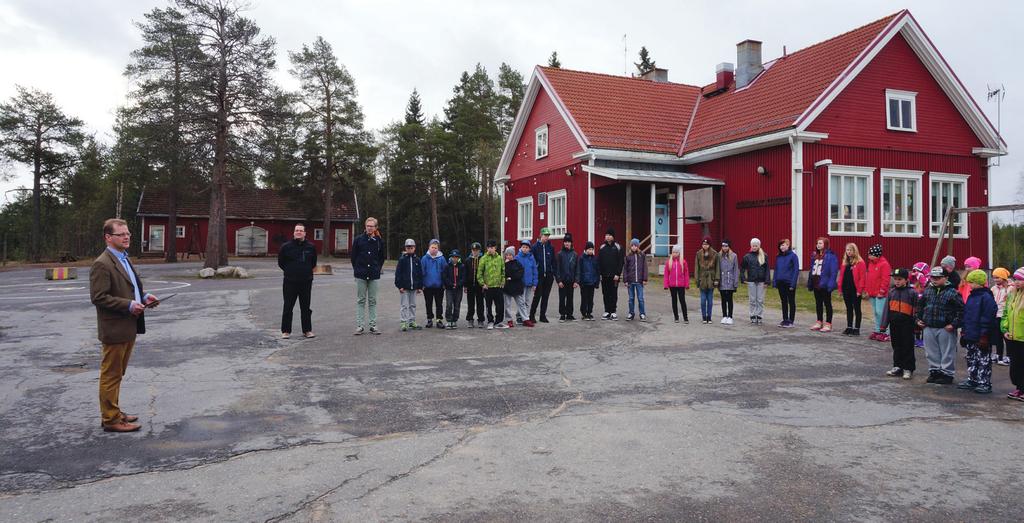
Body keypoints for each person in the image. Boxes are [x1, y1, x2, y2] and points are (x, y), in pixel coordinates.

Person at [89, 218, 159, 433]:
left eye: (128, 233)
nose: (127, 237)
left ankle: (115, 412)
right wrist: (128, 305)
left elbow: (129, 287)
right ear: (108, 238)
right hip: (115, 328)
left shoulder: (123, 258)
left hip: (128, 325)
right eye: (121, 234)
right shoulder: (102, 263)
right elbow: (99, 297)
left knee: (118, 373)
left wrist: (144, 296)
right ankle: (110, 419)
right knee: (111, 375)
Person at [916, 266, 964, 385]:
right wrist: (917, 319)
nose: (935, 280)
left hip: (945, 328)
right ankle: (934, 371)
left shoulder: (953, 292)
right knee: (931, 351)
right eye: (933, 277)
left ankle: (947, 373)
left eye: (938, 278)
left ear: (946, 278)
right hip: (928, 326)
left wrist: (954, 324)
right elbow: (919, 306)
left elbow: (961, 310)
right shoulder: (928, 290)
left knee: (947, 351)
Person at [958, 269, 998, 394]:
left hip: (981, 335)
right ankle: (973, 379)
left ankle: (984, 382)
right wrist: (964, 332)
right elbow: (967, 315)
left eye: (972, 282)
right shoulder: (971, 296)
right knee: (971, 357)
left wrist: (984, 335)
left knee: (983, 359)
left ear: (980, 283)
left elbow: (988, 317)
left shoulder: (986, 297)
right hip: (970, 333)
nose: (970, 284)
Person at [278, 223, 317, 339]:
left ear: (305, 233)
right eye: (296, 230)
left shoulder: (311, 247)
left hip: (306, 281)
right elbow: (281, 263)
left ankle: (307, 330)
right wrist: (290, 271)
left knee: (305, 307)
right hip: (290, 281)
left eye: (301, 230)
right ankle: (286, 331)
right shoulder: (286, 247)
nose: (298, 232)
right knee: (288, 306)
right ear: (294, 232)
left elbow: (313, 263)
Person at [881, 268, 917, 380]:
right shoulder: (891, 292)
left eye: (900, 279)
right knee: (896, 345)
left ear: (906, 280)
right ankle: (897, 366)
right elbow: (886, 309)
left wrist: (917, 325)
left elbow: (916, 309)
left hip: (907, 324)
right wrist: (883, 325)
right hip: (894, 323)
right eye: (895, 279)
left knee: (907, 345)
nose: (897, 281)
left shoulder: (912, 293)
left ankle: (908, 368)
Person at [351, 217, 385, 335]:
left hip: (374, 275)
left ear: (375, 228)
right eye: (368, 226)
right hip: (361, 274)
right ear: (365, 227)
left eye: (372, 226)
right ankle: (360, 326)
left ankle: (373, 325)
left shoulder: (379, 241)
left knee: (372, 301)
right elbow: (353, 257)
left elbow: (381, 257)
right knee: (361, 300)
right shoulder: (358, 240)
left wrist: (377, 268)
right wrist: (357, 269)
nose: (370, 228)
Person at [1001, 267, 1024, 401]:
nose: (1016, 282)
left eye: (1020, 280)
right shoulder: (1012, 294)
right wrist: (1005, 329)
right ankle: (1019, 387)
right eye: (1015, 279)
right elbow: (1005, 314)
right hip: (1013, 337)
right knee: (1016, 365)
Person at [808, 237, 839, 333]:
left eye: (820, 243)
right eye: (817, 243)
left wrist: (831, 284)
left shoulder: (831, 256)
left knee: (827, 304)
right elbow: (811, 270)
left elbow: (833, 272)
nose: (818, 245)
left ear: (825, 244)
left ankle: (828, 323)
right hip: (816, 283)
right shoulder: (815, 255)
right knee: (818, 303)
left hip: (825, 284)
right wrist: (810, 282)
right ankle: (819, 321)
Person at [837, 243, 867, 336]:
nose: (849, 252)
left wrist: (860, 290)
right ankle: (849, 327)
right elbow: (841, 276)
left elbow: (863, 277)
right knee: (849, 308)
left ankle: (857, 328)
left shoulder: (860, 262)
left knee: (857, 309)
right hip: (846, 289)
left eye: (850, 250)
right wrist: (840, 288)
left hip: (855, 289)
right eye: (847, 250)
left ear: (855, 251)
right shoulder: (845, 262)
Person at [395, 239, 423, 331]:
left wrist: (419, 286)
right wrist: (400, 286)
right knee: (404, 305)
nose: (410, 249)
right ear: (405, 248)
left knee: (413, 305)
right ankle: (403, 322)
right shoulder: (402, 260)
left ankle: (412, 321)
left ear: (414, 248)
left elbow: (420, 274)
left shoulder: (417, 260)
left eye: (411, 247)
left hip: (414, 287)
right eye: (408, 247)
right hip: (404, 287)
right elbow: (398, 274)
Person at [865, 244, 892, 341]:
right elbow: (869, 278)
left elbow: (886, 280)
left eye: (870, 254)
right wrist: (867, 290)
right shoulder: (871, 263)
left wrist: (882, 291)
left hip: (880, 294)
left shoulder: (884, 264)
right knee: (876, 313)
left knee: (881, 313)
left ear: (876, 255)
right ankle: (877, 330)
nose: (868, 255)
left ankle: (886, 332)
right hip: (872, 292)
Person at [740, 238, 769, 325]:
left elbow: (767, 269)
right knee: (752, 299)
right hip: (751, 281)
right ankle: (752, 315)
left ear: (759, 246)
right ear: (751, 246)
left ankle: (759, 315)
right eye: (753, 245)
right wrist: (743, 278)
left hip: (761, 281)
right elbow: (742, 268)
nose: (754, 247)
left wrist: (767, 281)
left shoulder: (764, 255)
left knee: (760, 300)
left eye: (756, 245)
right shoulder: (747, 257)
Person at [530, 228, 556, 323]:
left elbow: (553, 261)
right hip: (539, 276)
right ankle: (532, 315)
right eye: (545, 235)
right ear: (540, 235)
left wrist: (553, 273)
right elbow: (532, 262)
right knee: (537, 296)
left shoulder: (551, 247)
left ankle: (542, 316)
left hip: (548, 276)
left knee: (546, 296)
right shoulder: (534, 247)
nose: (546, 237)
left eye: (548, 236)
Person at [478, 239, 505, 329]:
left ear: (495, 248)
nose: (490, 249)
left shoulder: (500, 258)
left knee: (500, 305)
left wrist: (502, 281)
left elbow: (503, 271)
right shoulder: (483, 259)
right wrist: (482, 284)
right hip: (488, 287)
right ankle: (490, 321)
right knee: (488, 306)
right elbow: (479, 273)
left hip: (498, 286)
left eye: (492, 247)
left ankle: (498, 322)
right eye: (488, 247)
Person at [421, 239, 448, 329]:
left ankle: (439, 320)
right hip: (427, 286)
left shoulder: (442, 258)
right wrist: (422, 284)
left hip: (439, 286)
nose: (434, 249)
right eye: (432, 247)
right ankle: (429, 319)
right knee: (428, 303)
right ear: (429, 247)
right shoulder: (424, 259)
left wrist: (444, 283)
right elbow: (421, 272)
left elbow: (445, 272)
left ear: (438, 249)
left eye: (436, 248)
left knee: (439, 304)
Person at [773, 239, 799, 328]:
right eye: (780, 245)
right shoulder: (778, 257)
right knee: (783, 301)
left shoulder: (793, 256)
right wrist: (775, 281)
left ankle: (791, 320)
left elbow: (796, 270)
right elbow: (776, 269)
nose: (782, 247)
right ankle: (785, 319)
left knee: (791, 301)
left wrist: (793, 284)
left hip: (789, 283)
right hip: (781, 282)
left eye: (784, 245)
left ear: (788, 245)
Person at [598, 228, 624, 320]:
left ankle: (613, 311)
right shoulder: (602, 248)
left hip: (614, 276)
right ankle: (607, 311)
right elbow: (599, 262)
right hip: (604, 275)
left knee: (613, 293)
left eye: (609, 235)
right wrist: (600, 274)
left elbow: (621, 262)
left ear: (613, 236)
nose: (607, 237)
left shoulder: (618, 247)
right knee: (605, 293)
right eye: (606, 235)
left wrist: (618, 274)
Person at [695, 237, 720, 324]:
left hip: (711, 279)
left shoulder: (715, 254)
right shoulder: (698, 253)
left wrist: (717, 279)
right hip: (702, 279)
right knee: (702, 300)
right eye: (703, 244)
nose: (705, 246)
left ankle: (709, 317)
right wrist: (697, 279)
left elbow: (717, 268)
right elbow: (696, 267)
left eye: (706, 244)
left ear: (709, 245)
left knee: (710, 300)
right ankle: (704, 317)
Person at [622, 238, 649, 321]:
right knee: (631, 299)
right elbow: (625, 269)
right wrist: (625, 280)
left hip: (639, 282)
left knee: (640, 298)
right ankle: (631, 313)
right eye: (632, 245)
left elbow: (645, 268)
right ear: (630, 247)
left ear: (638, 246)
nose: (633, 247)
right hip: (630, 282)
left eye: (635, 245)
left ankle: (642, 314)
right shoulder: (628, 256)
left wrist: (645, 279)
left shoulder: (642, 255)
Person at [556, 233, 580, 322]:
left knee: (570, 298)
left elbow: (577, 269)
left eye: (568, 242)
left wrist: (576, 281)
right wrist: (559, 281)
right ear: (563, 243)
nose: (567, 243)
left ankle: (569, 314)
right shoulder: (560, 254)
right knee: (562, 298)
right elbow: (557, 268)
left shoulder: (575, 254)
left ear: (571, 243)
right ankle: (562, 314)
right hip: (562, 281)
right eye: (565, 242)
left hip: (571, 280)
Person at [664, 244, 690, 324]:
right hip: (672, 286)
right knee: (674, 301)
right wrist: (666, 284)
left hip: (681, 285)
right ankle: (676, 317)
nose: (675, 254)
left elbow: (686, 274)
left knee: (682, 301)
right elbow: (666, 274)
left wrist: (687, 284)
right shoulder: (669, 262)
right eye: (673, 252)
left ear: (679, 253)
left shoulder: (683, 262)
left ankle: (685, 317)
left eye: (676, 252)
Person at [990, 267, 1011, 365]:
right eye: (994, 278)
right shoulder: (993, 288)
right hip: (996, 315)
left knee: (1006, 337)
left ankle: (1009, 356)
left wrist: (1008, 290)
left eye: (998, 277)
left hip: (1005, 316)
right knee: (997, 337)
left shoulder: (1010, 288)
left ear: (1003, 277)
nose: (995, 280)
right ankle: (999, 355)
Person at [516, 240, 539, 327]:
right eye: (523, 247)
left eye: (526, 247)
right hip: (521, 284)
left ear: (529, 249)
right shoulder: (517, 257)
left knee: (527, 301)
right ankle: (519, 316)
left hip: (529, 283)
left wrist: (534, 283)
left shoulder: (531, 258)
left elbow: (534, 270)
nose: (525, 249)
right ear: (521, 248)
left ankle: (524, 317)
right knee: (521, 301)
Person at [464, 242, 486, 328]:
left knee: (480, 303)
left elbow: (485, 273)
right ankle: (470, 319)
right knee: (471, 303)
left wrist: (484, 283)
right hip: (470, 285)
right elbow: (465, 273)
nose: (475, 252)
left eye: (476, 250)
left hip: (480, 285)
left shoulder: (483, 259)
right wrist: (465, 285)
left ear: (479, 251)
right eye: (473, 250)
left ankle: (481, 320)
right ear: (471, 251)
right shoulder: (468, 260)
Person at [577, 241, 601, 321]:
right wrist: (580, 282)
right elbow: (579, 270)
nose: (591, 251)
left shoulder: (595, 259)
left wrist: (597, 282)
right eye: (589, 249)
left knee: (591, 299)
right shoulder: (582, 258)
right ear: (586, 250)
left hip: (592, 282)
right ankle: (584, 314)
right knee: (584, 298)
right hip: (584, 282)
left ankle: (589, 313)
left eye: (592, 249)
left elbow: (597, 271)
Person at [442, 249, 465, 329]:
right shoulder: (447, 266)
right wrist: (451, 284)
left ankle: (454, 320)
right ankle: (449, 320)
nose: (454, 258)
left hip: (458, 289)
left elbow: (463, 278)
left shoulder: (462, 266)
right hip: (449, 289)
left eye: (456, 257)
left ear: (458, 258)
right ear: (451, 257)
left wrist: (458, 284)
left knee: (457, 305)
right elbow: (445, 277)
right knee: (449, 304)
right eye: (453, 257)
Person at [502, 246, 524, 329]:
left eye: (510, 255)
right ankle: (509, 320)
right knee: (507, 305)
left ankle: (525, 318)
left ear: (513, 255)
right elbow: (504, 274)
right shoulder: (504, 264)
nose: (508, 256)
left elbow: (520, 273)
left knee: (521, 303)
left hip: (516, 287)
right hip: (507, 287)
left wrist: (512, 277)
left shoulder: (517, 263)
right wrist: (506, 265)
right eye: (507, 255)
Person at [910, 261, 931, 348]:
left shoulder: (927, 281)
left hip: (924, 307)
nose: (916, 273)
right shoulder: (913, 282)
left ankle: (923, 339)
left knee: (923, 323)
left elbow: (925, 283)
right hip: (915, 306)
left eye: (917, 271)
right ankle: (917, 338)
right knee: (916, 323)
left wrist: (920, 276)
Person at [718, 240, 739, 325]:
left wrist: (735, 282)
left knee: (729, 299)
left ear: (729, 247)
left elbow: (736, 269)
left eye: (726, 246)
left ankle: (730, 316)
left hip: (730, 280)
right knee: (723, 299)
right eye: (723, 246)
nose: (724, 248)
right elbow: (717, 269)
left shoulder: (734, 256)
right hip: (722, 280)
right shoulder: (719, 256)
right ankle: (724, 316)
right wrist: (717, 280)